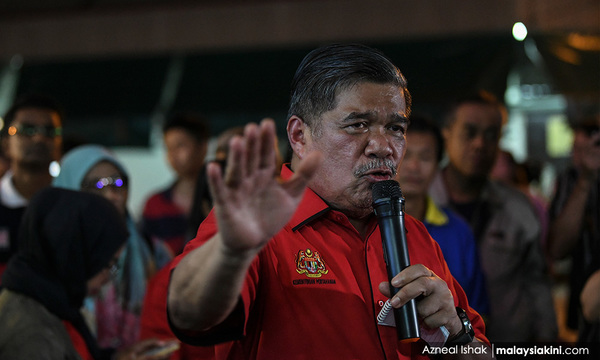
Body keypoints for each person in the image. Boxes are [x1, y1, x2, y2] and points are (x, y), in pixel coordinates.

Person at [167, 43, 489, 359]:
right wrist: (230, 254)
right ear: (299, 136)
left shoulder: (414, 235)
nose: (382, 146)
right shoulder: (256, 227)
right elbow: (189, 315)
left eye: (395, 127)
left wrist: (457, 337)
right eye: (357, 125)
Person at [429, 90, 557, 342]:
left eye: (491, 135)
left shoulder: (517, 207)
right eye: (470, 131)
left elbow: (537, 283)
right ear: (447, 133)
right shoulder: (419, 205)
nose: (480, 144)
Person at [0, 187, 170, 360]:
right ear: (74, 255)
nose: (109, 278)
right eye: (108, 264)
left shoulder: (52, 300)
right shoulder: (31, 333)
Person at [53, 144, 159, 352]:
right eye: (97, 185)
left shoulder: (151, 250)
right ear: (69, 187)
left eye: (118, 183)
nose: (111, 194)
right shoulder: (52, 256)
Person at [397, 115, 489, 315]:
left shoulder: (458, 231)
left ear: (438, 165)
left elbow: (477, 309)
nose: (414, 166)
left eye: (425, 157)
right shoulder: (366, 226)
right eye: (406, 155)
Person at [548, 115, 600, 343]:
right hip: (584, 301)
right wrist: (586, 179)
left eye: (591, 148)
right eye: (577, 149)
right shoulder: (571, 180)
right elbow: (558, 248)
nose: (580, 157)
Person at [0, 94, 63, 277]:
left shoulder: (72, 206)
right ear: (6, 144)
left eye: (50, 131)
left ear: (59, 145)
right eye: (27, 130)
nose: (39, 138)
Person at [140, 113, 210, 258]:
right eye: (168, 147)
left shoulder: (220, 198)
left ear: (202, 148)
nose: (173, 154)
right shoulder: (155, 204)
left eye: (180, 145)